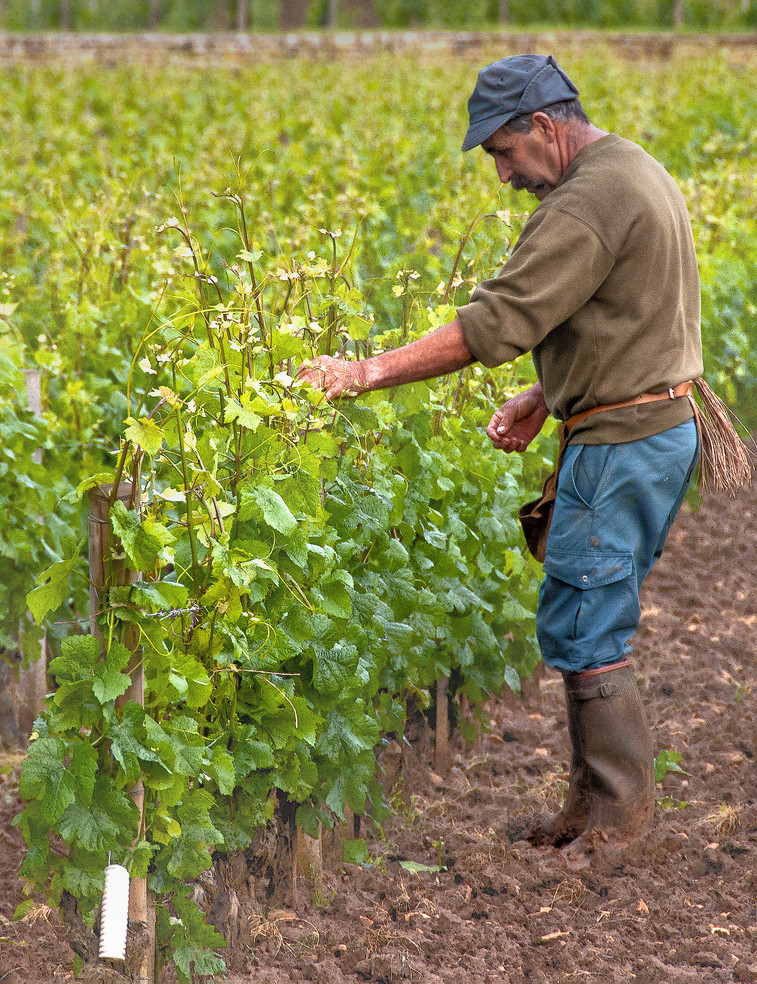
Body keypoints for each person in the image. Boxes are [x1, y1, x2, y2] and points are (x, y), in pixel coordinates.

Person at [297, 53, 710, 868]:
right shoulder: (630, 167)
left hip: (625, 443)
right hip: (642, 422)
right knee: (578, 614)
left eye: (503, 153)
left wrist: (365, 371)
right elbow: (628, 313)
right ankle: (590, 807)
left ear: (545, 128)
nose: (501, 173)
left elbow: (496, 323)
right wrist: (550, 395)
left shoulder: (588, 200)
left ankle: (621, 827)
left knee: (590, 621)